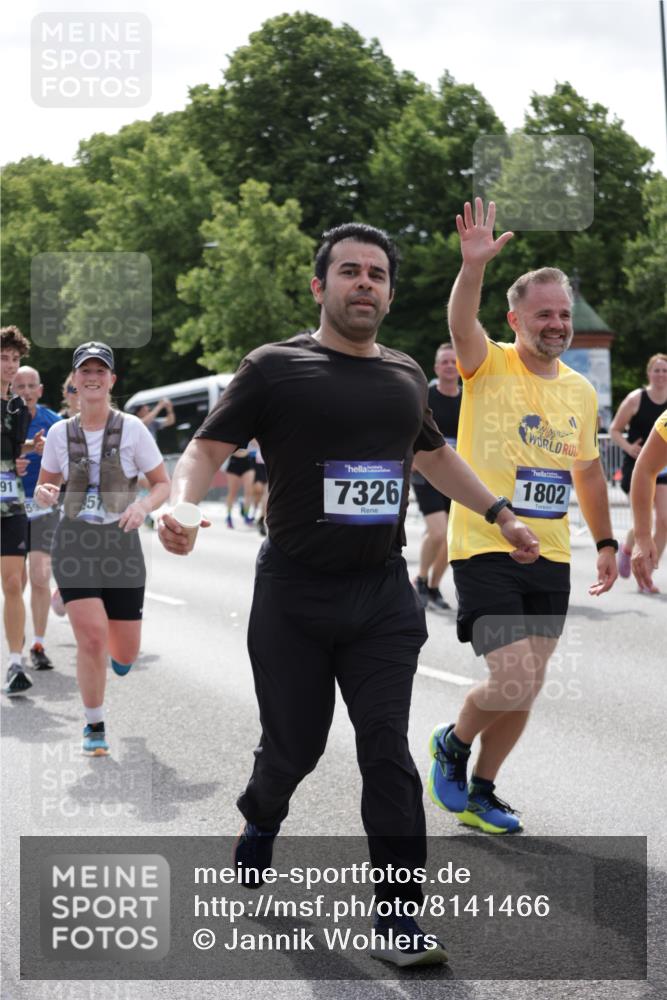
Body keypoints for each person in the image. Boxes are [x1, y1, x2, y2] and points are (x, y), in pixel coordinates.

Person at [158, 222, 538, 967]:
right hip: (293, 595)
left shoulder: (401, 375)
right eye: (349, 272)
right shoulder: (273, 367)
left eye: (376, 275)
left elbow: (433, 456)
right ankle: (260, 815)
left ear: (390, 293)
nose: (364, 283)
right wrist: (181, 504)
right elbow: (207, 447)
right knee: (292, 750)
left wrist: (498, 512)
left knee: (385, 753)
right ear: (319, 286)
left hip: (380, 598)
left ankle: (398, 920)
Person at [427, 199, 618, 835]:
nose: (558, 323)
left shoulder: (579, 389)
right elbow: (459, 321)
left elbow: (588, 472)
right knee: (510, 679)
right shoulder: (490, 363)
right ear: (516, 319)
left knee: (529, 686)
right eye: (545, 314)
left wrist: (609, 542)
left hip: (553, 552)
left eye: (564, 313)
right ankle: (452, 744)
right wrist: (472, 267)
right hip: (484, 541)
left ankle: (483, 790)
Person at [34, 342, 170, 755]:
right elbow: (47, 485)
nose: (92, 377)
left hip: (121, 544)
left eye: (100, 371)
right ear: (74, 381)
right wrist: (44, 493)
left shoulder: (132, 428)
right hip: (75, 540)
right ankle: (94, 724)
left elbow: (162, 483)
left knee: (123, 653)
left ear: (111, 380)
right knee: (91, 639)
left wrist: (144, 506)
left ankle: (68, 602)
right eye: (84, 371)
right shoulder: (60, 433)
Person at [12, 366, 62, 671]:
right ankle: (15, 641)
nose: (27, 391)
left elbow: (72, 464)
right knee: (15, 581)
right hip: (11, 508)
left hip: (43, 508)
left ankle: (39, 644)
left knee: (41, 576)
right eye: (20, 386)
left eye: (32, 386)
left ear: (40, 390)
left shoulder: (54, 423)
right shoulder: (4, 419)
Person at [609, 354, 667, 592]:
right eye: (657, 370)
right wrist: (629, 447)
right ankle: (628, 547)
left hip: (664, 466)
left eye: (665, 371)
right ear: (649, 373)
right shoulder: (636, 399)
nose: (661, 375)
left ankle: (648, 574)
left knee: (664, 520)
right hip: (638, 465)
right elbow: (614, 430)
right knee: (643, 519)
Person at [411, 342, 461, 611]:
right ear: (436, 368)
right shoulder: (425, 396)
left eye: (454, 362)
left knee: (452, 538)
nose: (450, 366)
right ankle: (420, 578)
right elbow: (407, 427)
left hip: (457, 477)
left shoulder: (468, 399)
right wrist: (411, 459)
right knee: (439, 532)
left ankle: (433, 586)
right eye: (445, 362)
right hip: (425, 473)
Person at [1, 326, 33, 695]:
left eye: (15, 359)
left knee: (13, 583)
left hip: (11, 504)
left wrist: (23, 458)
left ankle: (14, 664)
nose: (10, 365)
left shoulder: (18, 407)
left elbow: (12, 454)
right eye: (3, 358)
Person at [631, 409, 667, 592]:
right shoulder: (637, 399)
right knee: (663, 520)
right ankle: (629, 547)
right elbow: (645, 467)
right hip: (661, 471)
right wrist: (643, 535)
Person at [223, 447, 256, 528]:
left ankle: (246, 515)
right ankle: (229, 516)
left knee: (249, 491)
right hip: (234, 462)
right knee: (232, 493)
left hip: (248, 462)